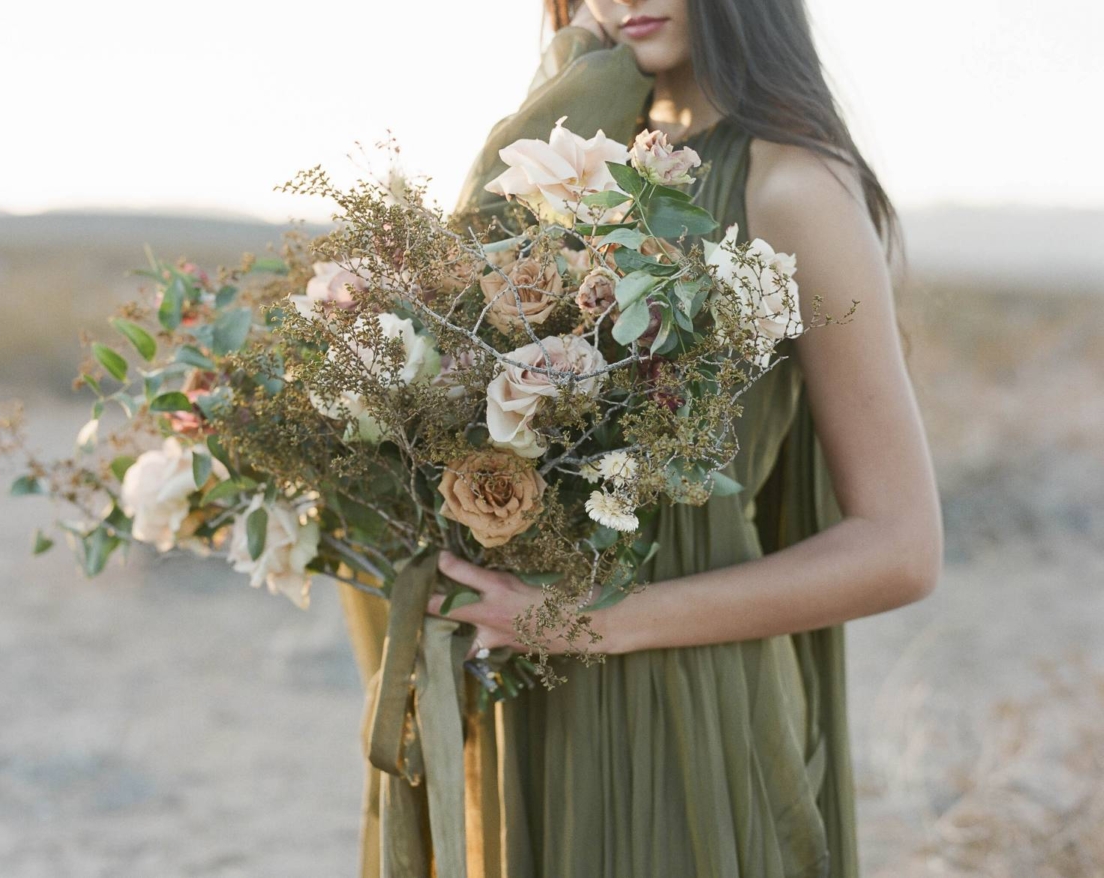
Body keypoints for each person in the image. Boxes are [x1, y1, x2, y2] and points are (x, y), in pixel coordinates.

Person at [340, 1, 943, 875]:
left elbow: (902, 548)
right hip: (529, 696)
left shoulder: (791, 186)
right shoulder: (576, 165)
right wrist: (574, 76)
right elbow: (445, 356)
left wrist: (591, 623)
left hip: (685, 716)